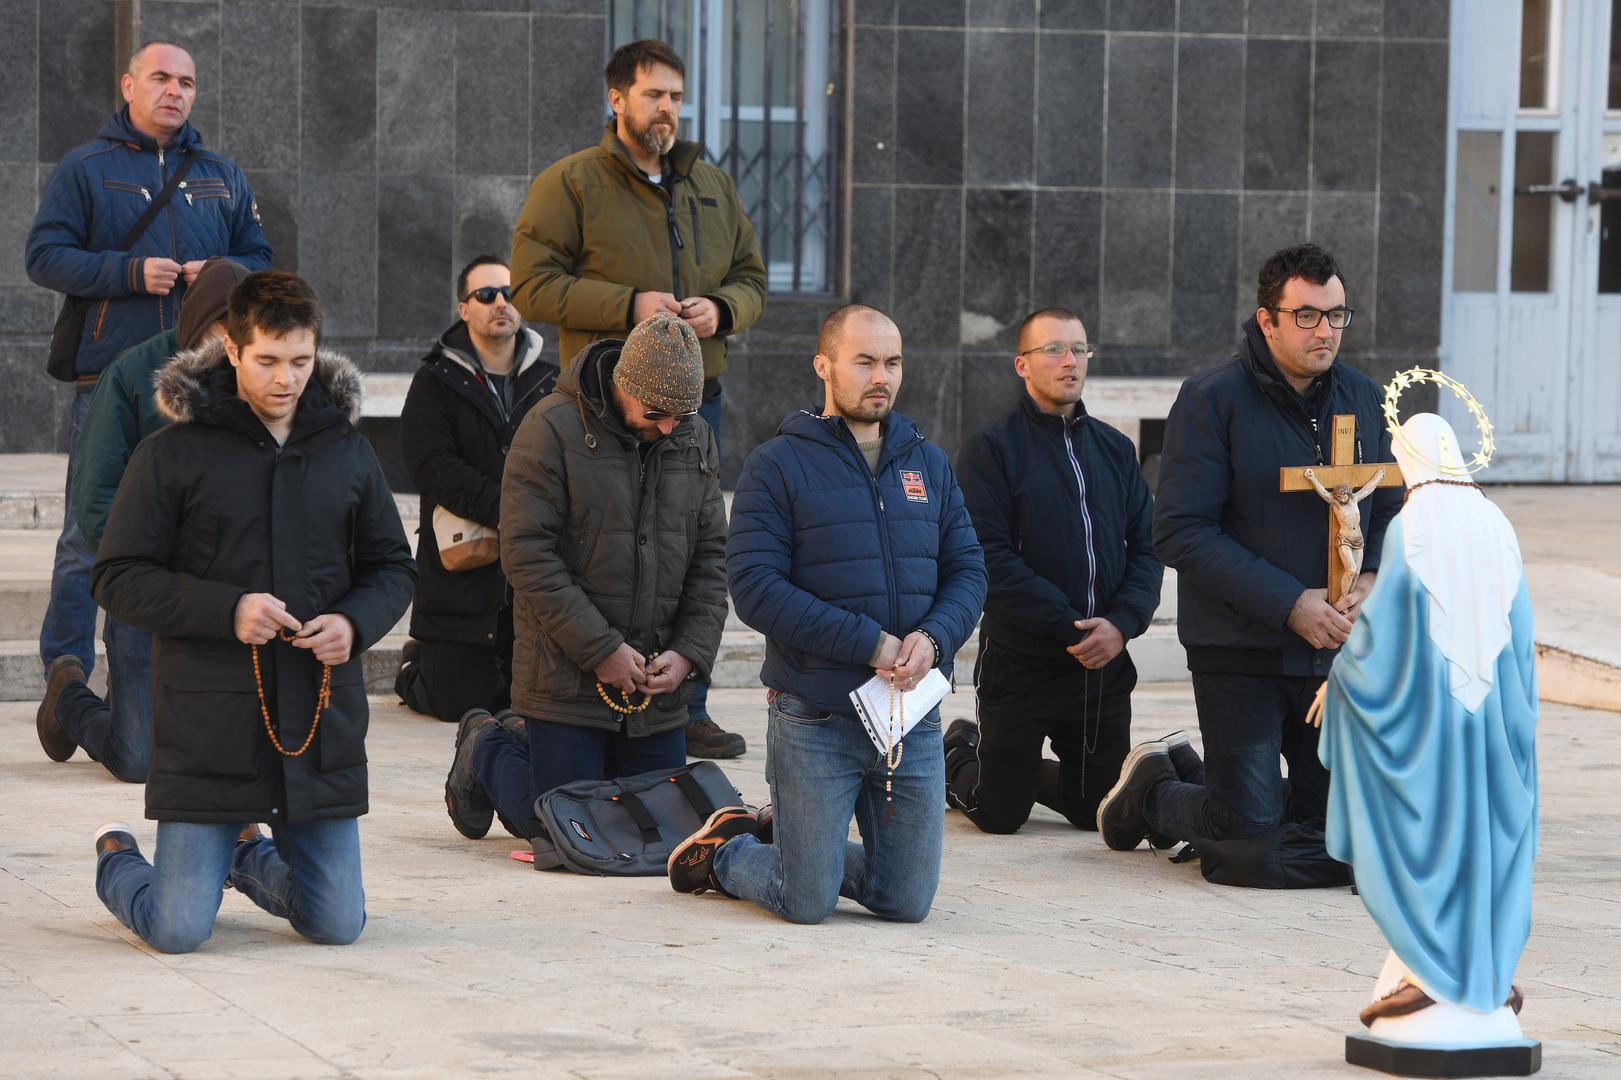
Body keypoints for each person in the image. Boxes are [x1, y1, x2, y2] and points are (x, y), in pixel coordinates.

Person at [87, 270, 414, 953]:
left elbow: (392, 566)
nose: (285, 379)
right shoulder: (170, 453)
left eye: (299, 360)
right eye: (266, 360)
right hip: (209, 724)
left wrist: (353, 623)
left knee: (336, 924)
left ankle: (246, 856)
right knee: (176, 930)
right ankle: (117, 857)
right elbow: (117, 576)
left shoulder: (348, 451)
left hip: (315, 722)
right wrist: (227, 609)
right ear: (231, 350)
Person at [666, 304, 986, 923]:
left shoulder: (928, 462)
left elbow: (968, 567)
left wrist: (935, 638)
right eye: (863, 361)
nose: (881, 377)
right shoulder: (777, 465)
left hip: (908, 717)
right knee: (805, 900)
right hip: (815, 716)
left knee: (906, 901)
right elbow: (754, 586)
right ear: (823, 365)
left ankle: (801, 849)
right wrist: (870, 644)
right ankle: (730, 854)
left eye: (892, 362)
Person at [1097, 242, 1401, 889]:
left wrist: (1370, 576)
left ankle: (1229, 792)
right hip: (1239, 650)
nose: (1325, 331)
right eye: (1307, 316)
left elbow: (1391, 505)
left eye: (1337, 316)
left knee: (1344, 837)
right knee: (1246, 841)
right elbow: (1177, 531)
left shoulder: (1362, 398)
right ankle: (1154, 787)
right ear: (1266, 320)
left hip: (1332, 659)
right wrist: (1289, 602)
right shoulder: (1213, 400)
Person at [510, 37, 765, 759]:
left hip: (697, 401)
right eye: (654, 95)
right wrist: (628, 305)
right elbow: (530, 283)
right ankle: (578, 693)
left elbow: (752, 275)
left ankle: (686, 703)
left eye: (676, 97)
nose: (667, 110)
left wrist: (723, 308)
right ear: (616, 98)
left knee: (684, 550)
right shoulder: (571, 182)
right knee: (610, 555)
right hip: (602, 411)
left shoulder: (710, 184)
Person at [27, 39, 271, 732]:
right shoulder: (86, 167)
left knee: (182, 528)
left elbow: (259, 259)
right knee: (87, 527)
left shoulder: (220, 174)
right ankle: (65, 670)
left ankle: (148, 682)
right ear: (128, 84)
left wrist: (217, 269)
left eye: (187, 81)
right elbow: (45, 256)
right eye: (161, 78)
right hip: (109, 375)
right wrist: (130, 274)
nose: (175, 91)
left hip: (200, 382)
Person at [442, 312, 727, 847]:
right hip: (566, 675)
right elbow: (526, 555)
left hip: (652, 684)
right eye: (657, 413)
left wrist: (689, 653)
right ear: (624, 386)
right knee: (566, 833)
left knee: (662, 831)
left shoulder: (694, 435)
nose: (670, 427)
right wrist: (601, 650)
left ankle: (530, 743)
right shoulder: (550, 428)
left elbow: (712, 556)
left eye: (682, 415)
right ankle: (487, 744)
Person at [1319, 412, 1537, 1037]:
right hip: (1492, 724)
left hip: (1430, 727)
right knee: (1483, 841)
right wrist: (1513, 718)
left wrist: (1340, 682)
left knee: (1430, 831)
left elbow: (1383, 633)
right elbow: (1521, 638)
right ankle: (1484, 971)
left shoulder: (1413, 524)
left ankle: (1437, 970)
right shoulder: (1498, 522)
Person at [945, 307, 1163, 835]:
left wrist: (1122, 623)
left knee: (1098, 812)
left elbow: (1149, 548)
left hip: (1100, 669)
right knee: (999, 815)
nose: (1071, 362)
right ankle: (957, 753)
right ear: (1022, 365)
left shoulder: (1115, 449)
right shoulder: (992, 450)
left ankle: (1021, 774)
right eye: (1055, 350)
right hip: (1023, 663)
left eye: (1080, 349)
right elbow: (989, 557)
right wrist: (1071, 627)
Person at [34, 257, 249, 780]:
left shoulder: (267, 382)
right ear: (199, 324)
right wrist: (148, 572)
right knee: (138, 761)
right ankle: (70, 698)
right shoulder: (132, 374)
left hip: (230, 599)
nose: (236, 347)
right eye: (227, 329)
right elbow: (95, 496)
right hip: (149, 590)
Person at [393, 255, 557, 724]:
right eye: (486, 295)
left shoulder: (551, 381)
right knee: (457, 705)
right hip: (460, 581)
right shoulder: (435, 380)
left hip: (531, 577)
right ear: (464, 309)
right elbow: (430, 465)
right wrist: (508, 510)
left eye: (508, 293)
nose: (500, 303)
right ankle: (414, 664)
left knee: (523, 704)